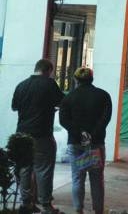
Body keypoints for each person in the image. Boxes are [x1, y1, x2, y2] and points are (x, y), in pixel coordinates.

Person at [11, 58, 65, 214]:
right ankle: (46, 205)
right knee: (44, 169)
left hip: (21, 134)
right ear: (48, 70)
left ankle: (26, 203)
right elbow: (62, 102)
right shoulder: (49, 84)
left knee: (24, 169)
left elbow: (15, 107)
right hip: (42, 134)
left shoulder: (21, 85)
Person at [59, 67, 112, 214]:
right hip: (95, 144)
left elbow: (63, 120)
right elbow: (105, 118)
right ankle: (98, 210)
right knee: (97, 179)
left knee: (77, 178)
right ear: (92, 79)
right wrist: (92, 134)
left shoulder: (69, 97)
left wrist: (80, 133)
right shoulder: (103, 95)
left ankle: (78, 209)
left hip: (76, 143)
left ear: (75, 80)